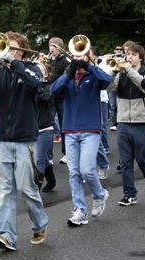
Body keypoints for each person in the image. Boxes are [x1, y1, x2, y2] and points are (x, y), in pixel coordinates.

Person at [0, 31, 48, 251]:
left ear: (21, 51)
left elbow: (36, 85)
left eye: (12, 48)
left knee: (27, 188)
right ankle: (6, 234)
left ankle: (39, 224)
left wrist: (15, 64)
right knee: (6, 190)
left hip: (25, 139)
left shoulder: (31, 69)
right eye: (5, 48)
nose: (7, 52)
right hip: (4, 140)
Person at [51, 49, 111, 225]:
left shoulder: (94, 75)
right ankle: (80, 210)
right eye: (74, 56)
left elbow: (107, 81)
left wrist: (90, 67)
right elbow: (54, 90)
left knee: (86, 169)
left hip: (90, 129)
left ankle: (99, 194)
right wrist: (68, 74)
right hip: (70, 129)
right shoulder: (67, 76)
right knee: (74, 172)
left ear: (86, 57)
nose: (77, 59)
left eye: (80, 55)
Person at [107, 44, 145, 206]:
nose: (129, 57)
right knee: (125, 161)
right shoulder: (121, 74)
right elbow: (109, 87)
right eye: (128, 54)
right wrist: (114, 71)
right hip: (123, 121)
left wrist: (130, 71)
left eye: (133, 54)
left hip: (141, 122)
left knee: (142, 158)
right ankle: (129, 194)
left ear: (140, 57)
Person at [35, 62, 57, 192]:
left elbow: (46, 98)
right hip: (31, 129)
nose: (36, 73)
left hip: (45, 128)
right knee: (42, 158)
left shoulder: (49, 87)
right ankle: (52, 180)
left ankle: (35, 191)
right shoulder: (29, 87)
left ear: (46, 74)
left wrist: (36, 85)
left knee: (39, 160)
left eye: (40, 71)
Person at [48, 37, 70, 164]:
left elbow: (63, 78)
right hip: (50, 96)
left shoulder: (64, 61)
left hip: (61, 97)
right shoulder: (48, 60)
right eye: (51, 46)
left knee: (63, 126)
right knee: (48, 126)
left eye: (55, 46)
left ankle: (66, 153)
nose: (52, 48)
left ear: (60, 48)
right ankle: (48, 156)